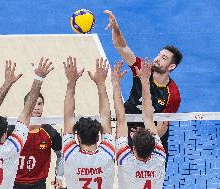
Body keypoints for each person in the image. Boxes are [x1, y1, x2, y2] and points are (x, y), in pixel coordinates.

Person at [104, 10, 183, 157]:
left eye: (164, 58)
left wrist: (143, 140)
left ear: (171, 67)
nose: (157, 58)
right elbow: (122, 47)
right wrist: (116, 28)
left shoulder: (173, 94)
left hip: (152, 137)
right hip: (129, 127)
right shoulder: (142, 69)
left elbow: (162, 126)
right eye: (159, 54)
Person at [0, 58, 54, 189]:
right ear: (5, 135)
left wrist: (7, 83)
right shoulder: (11, 148)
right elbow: (26, 112)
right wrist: (38, 78)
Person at [112, 60, 166, 189]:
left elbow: (121, 119)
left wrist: (116, 83)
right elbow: (148, 117)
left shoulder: (126, 159)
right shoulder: (159, 156)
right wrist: (145, 81)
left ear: (133, 147)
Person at [62, 57, 115, 189]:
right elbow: (106, 119)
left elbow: (68, 118)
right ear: (98, 137)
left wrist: (71, 83)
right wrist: (101, 84)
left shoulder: (70, 154)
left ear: (78, 137)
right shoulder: (107, 154)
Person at [12, 92, 64, 189]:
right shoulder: (13, 130)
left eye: (39, 104)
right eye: (33, 104)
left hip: (38, 184)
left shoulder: (50, 132)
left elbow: (61, 154)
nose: (36, 107)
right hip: (14, 183)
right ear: (25, 107)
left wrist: (59, 176)